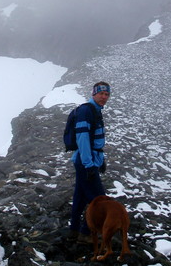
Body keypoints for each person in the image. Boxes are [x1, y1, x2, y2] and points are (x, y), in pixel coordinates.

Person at [68, 81, 111, 243]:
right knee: (99, 199)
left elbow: (95, 141)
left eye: (107, 94)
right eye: (101, 93)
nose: (104, 97)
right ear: (93, 93)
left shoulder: (95, 111)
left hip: (89, 160)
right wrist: (89, 164)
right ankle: (86, 233)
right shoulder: (87, 111)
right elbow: (82, 139)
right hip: (85, 162)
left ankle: (73, 230)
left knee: (80, 196)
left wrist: (101, 160)